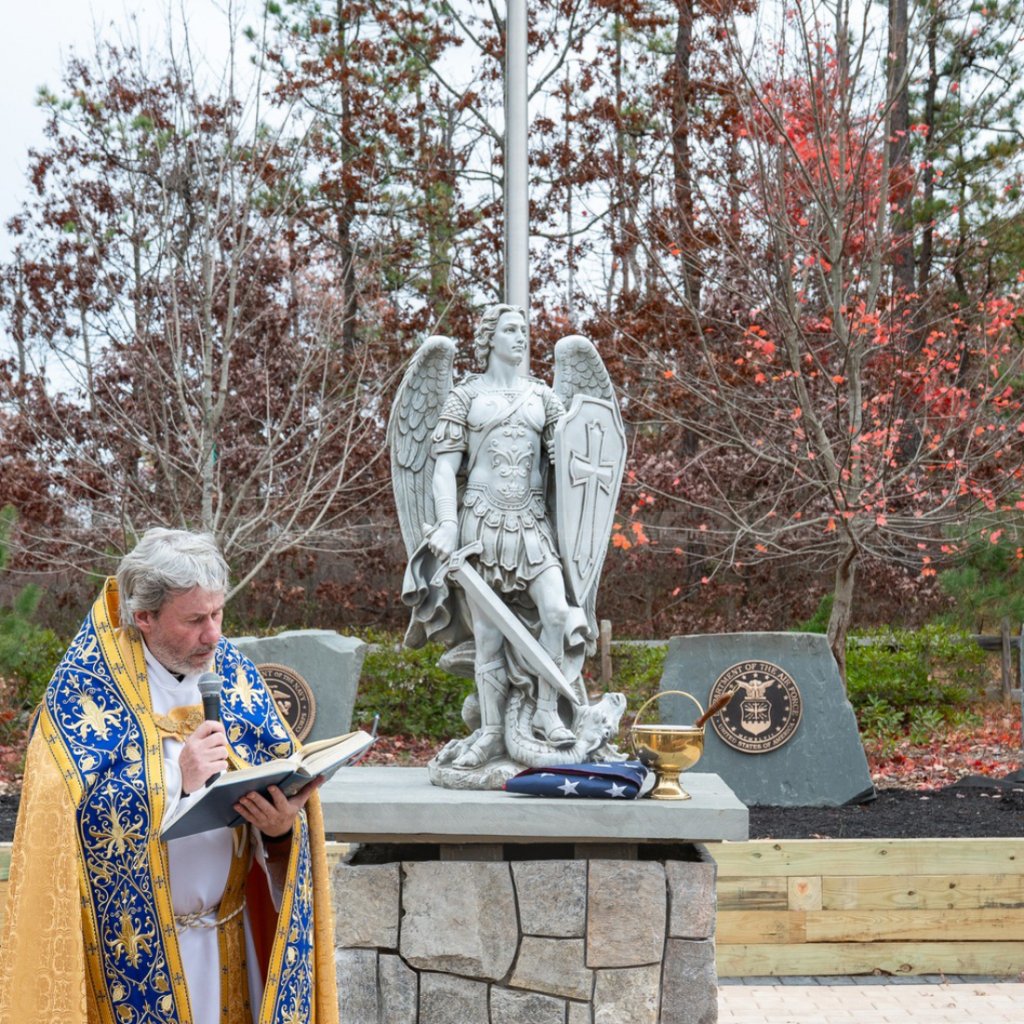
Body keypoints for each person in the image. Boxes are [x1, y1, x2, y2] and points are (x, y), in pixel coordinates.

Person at [0, 528, 339, 1024]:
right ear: (144, 617)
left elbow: (278, 781)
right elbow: (65, 827)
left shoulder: (235, 673)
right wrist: (173, 779)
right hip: (133, 962)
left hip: (232, 942)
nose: (214, 634)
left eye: (218, 613)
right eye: (195, 620)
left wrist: (281, 828)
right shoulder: (83, 690)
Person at [423, 304, 590, 768]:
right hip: (482, 523)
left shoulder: (544, 396)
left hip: (534, 524)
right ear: (489, 338)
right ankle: (492, 730)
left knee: (557, 611)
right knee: (489, 636)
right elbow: (443, 469)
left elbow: (576, 462)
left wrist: (566, 449)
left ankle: (545, 713)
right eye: (511, 330)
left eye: (524, 330)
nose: (521, 338)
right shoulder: (465, 396)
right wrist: (448, 524)